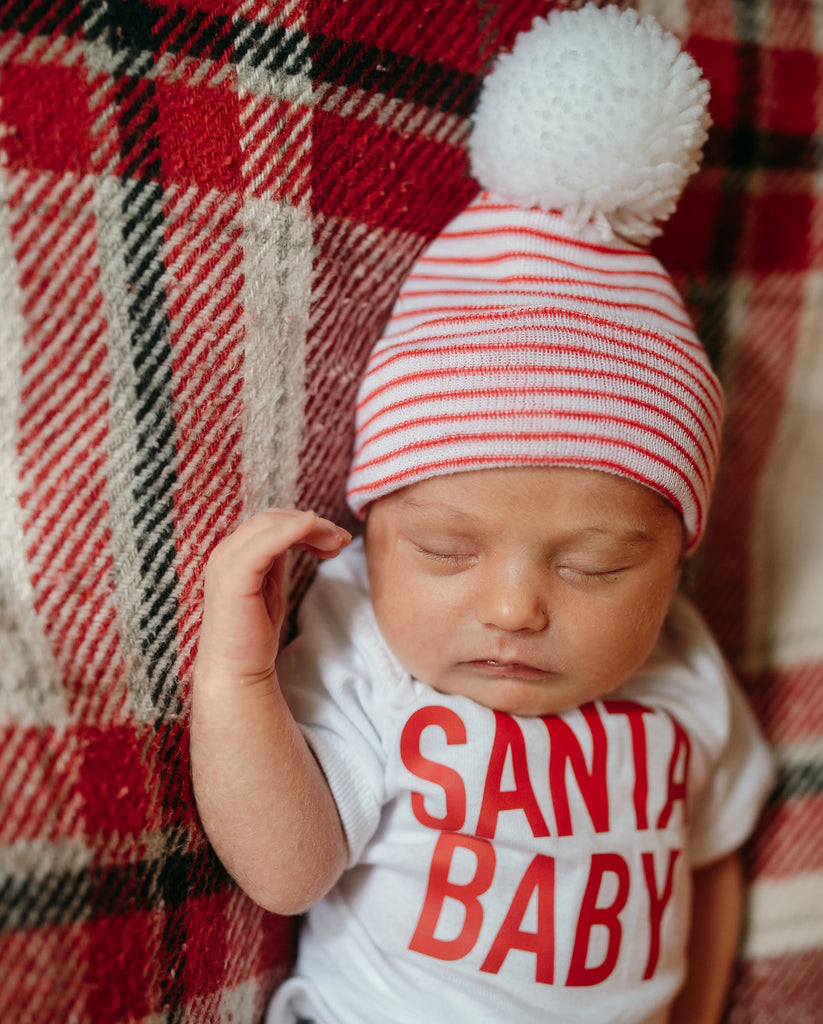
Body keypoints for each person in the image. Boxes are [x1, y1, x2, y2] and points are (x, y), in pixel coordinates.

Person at [191, 6, 775, 1023]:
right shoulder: (367, 643)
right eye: (445, 548)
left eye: (594, 564)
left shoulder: (681, 669)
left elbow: (711, 861)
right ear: (375, 534)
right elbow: (288, 871)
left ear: (675, 561)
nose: (512, 607)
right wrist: (237, 674)